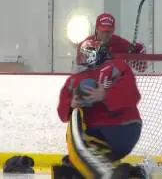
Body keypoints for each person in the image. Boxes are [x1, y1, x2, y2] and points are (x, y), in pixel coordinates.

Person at [54, 40, 145, 178]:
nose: (83, 58)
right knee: (71, 170)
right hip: (101, 135)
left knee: (75, 123)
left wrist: (105, 95)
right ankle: (136, 173)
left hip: (121, 128)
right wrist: (70, 104)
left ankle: (93, 164)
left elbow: (132, 94)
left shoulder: (116, 66)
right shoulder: (75, 79)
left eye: (87, 54)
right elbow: (62, 113)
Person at [75, 12, 148, 73]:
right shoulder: (86, 44)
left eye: (109, 31)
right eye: (103, 31)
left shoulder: (119, 42)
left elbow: (141, 68)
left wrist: (137, 52)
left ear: (113, 30)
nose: (106, 35)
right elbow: (81, 70)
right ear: (97, 29)